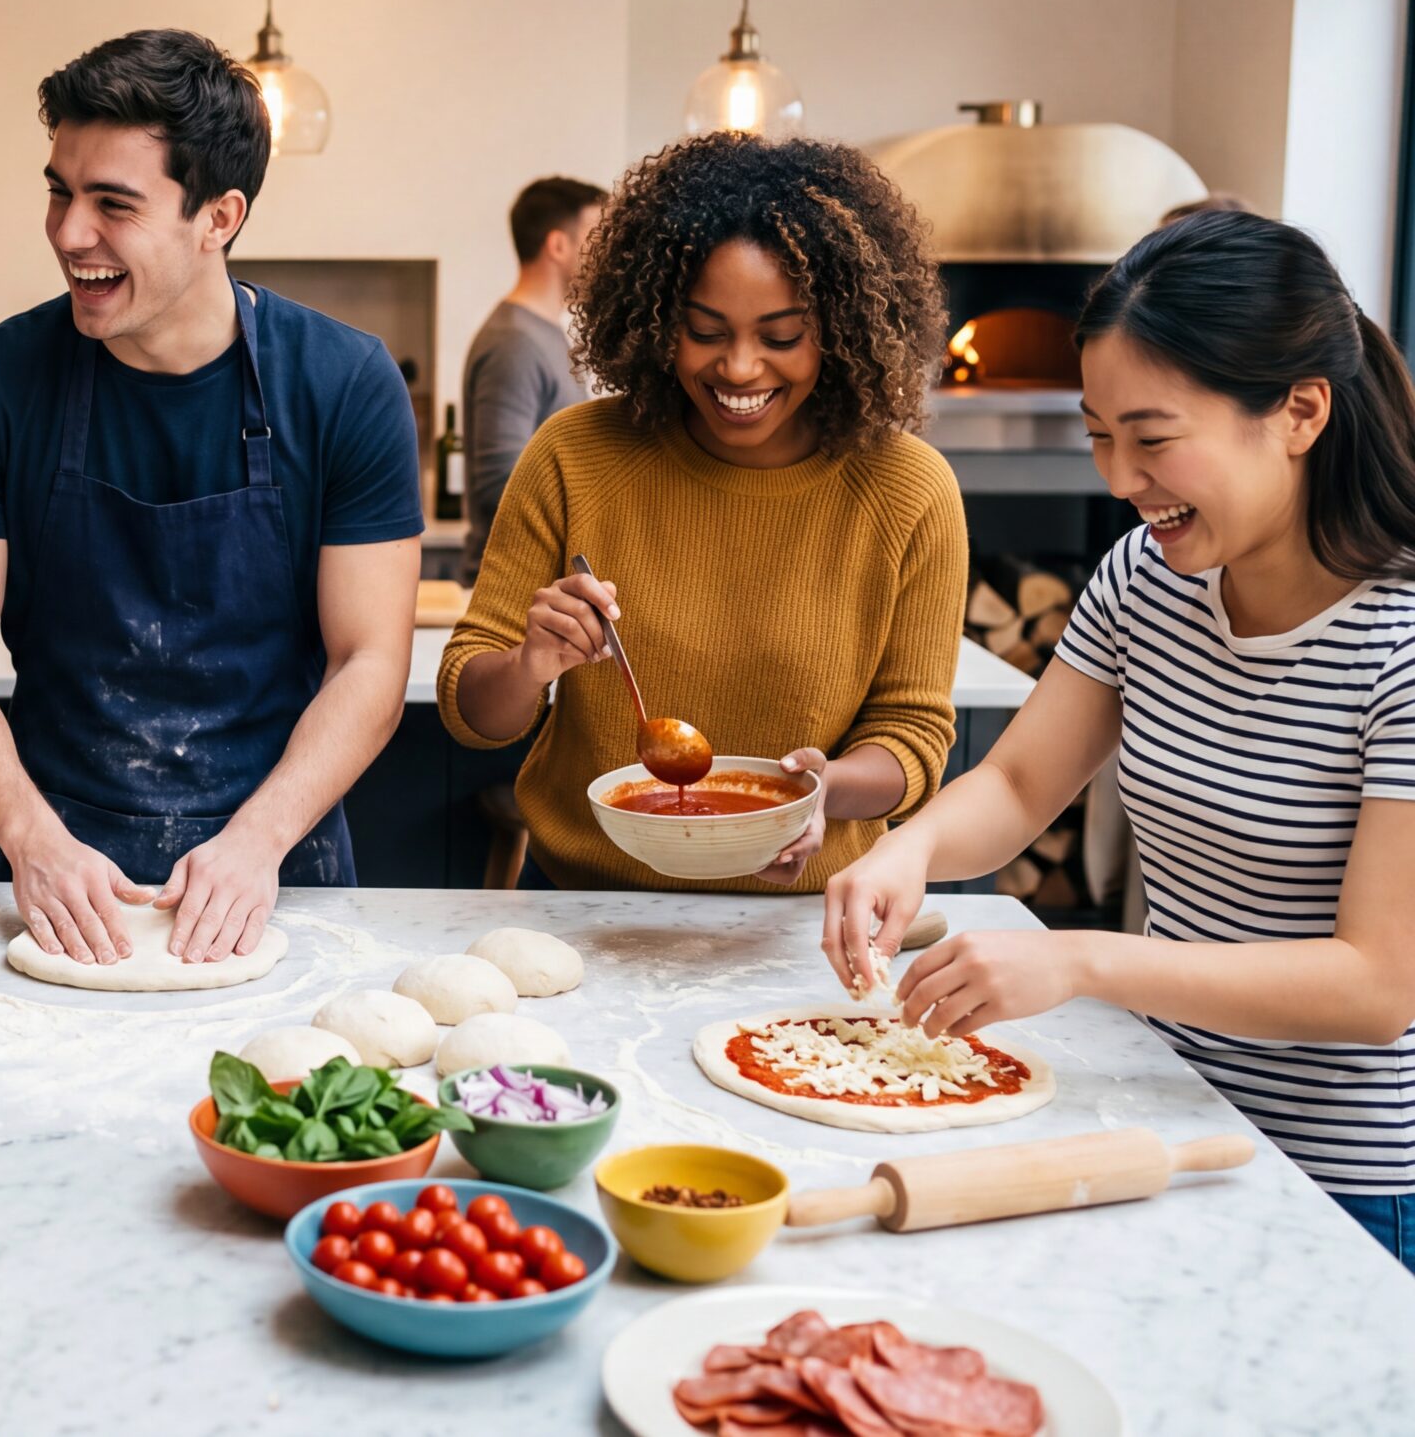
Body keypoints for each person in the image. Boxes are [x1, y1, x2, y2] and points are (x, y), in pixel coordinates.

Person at [822, 212, 1415, 1272]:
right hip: (1167, 1121)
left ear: (1299, 412)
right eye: (1099, 435)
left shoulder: (1400, 645)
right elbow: (1014, 779)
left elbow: (1376, 985)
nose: (1118, 477)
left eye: (1150, 437)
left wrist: (1082, 959)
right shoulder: (1148, 580)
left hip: (1349, 1185)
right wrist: (902, 850)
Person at [0, 29, 422, 968]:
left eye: (114, 204)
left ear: (218, 216)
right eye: (60, 190)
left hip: (278, 871)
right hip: (56, 876)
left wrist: (257, 842)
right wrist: (31, 839)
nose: (69, 233)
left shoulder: (344, 382)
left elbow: (371, 661)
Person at [438, 131, 965, 892]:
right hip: (585, 910)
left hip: (800, 921)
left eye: (782, 336)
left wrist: (826, 789)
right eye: (705, 331)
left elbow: (912, 736)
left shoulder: (909, 489)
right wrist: (529, 664)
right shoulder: (575, 454)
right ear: (655, 321)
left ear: (844, 330)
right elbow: (471, 707)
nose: (740, 367)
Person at [459, 176, 603, 585]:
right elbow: (498, 484)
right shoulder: (514, 342)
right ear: (558, 245)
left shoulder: (545, 334)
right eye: (597, 237)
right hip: (511, 592)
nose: (608, 254)